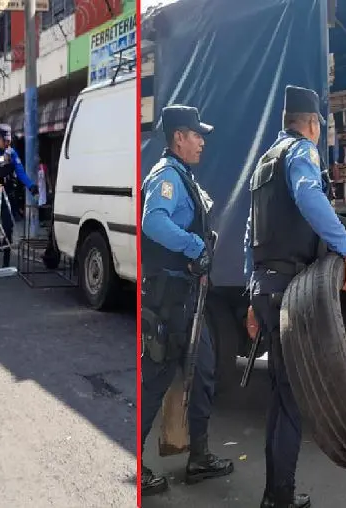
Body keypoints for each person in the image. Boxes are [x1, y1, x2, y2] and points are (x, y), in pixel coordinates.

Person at [243, 85, 346, 508]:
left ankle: (274, 492)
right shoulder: (301, 153)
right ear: (311, 124)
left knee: (280, 394)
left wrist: (250, 296)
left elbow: (250, 234)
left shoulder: (263, 165)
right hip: (292, 291)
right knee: (290, 399)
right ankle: (280, 498)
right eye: (318, 128)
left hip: (266, 288)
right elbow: (310, 196)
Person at [140, 105, 233, 497]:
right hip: (172, 301)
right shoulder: (166, 177)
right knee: (157, 380)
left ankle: (199, 456)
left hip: (189, 301)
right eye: (197, 134)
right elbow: (153, 221)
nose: (202, 141)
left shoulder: (184, 178)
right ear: (179, 137)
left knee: (204, 374)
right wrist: (194, 245)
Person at [0, 124, 38, 267]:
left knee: (8, 226)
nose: (7, 142)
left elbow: (20, 172)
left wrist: (31, 186)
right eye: (5, 140)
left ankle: (6, 264)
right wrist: (3, 165)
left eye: (9, 140)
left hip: (7, 194)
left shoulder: (12, 153)